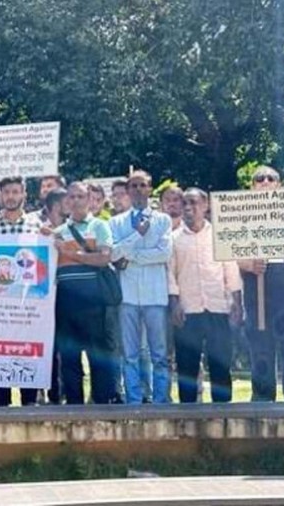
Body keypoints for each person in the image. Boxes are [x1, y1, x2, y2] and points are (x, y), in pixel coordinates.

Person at [236, 166, 284, 402]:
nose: (265, 181)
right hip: (257, 293)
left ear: (279, 185)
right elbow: (230, 250)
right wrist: (248, 264)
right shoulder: (239, 215)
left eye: (271, 178)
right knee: (261, 352)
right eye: (259, 178)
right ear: (252, 185)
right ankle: (261, 402)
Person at [168, 188, 242, 403]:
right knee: (187, 366)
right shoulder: (173, 239)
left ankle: (223, 413)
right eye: (185, 204)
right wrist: (174, 305)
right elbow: (170, 274)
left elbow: (231, 270)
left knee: (220, 364)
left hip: (218, 307)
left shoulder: (221, 235)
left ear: (206, 206)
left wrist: (237, 303)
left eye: (194, 203)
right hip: (188, 310)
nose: (189, 208)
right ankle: (188, 416)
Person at [51, 182, 119, 404]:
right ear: (66, 202)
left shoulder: (100, 226)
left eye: (81, 196)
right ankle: (73, 404)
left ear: (90, 200)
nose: (76, 201)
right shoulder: (57, 233)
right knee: (69, 359)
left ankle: (101, 404)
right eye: (72, 197)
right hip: (65, 303)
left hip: (93, 303)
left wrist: (70, 252)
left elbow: (103, 258)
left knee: (97, 356)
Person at [109, 170, 172, 405]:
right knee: (131, 354)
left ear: (150, 188)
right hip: (127, 296)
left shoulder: (163, 220)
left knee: (159, 354)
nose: (138, 190)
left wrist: (131, 256)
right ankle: (134, 399)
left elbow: (164, 254)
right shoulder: (116, 222)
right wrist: (137, 236)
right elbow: (113, 254)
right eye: (133, 186)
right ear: (127, 190)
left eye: (142, 185)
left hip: (155, 295)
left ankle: (160, 400)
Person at [0, 176, 43, 406]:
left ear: (24, 194)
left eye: (16, 192)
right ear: (1, 195)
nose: (11, 197)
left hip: (29, 306)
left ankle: (30, 404)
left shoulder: (37, 226)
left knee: (27, 355)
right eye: (6, 192)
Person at [40, 187, 70, 404]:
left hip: (69, 296)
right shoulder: (38, 233)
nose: (67, 209)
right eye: (62, 205)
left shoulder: (74, 230)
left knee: (67, 347)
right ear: (51, 208)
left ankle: (67, 392)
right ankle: (50, 392)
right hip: (43, 300)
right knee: (48, 348)